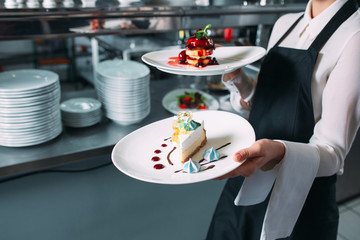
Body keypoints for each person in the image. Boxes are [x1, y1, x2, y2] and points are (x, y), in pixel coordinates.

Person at [206, 0, 360, 239]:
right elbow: (270, 105)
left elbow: (333, 153)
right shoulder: (284, 24)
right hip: (247, 180)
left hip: (298, 200)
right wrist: (238, 78)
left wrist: (278, 152)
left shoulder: (354, 36)